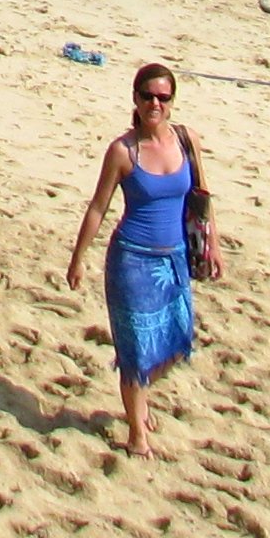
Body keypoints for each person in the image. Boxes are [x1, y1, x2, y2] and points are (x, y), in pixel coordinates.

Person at [63, 64, 206, 455]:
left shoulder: (187, 141)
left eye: (163, 97)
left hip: (174, 258)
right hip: (132, 261)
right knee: (136, 351)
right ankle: (137, 434)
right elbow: (98, 207)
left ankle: (139, 399)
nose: (155, 103)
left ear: (172, 102)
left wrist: (214, 248)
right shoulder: (123, 151)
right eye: (148, 96)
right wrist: (78, 258)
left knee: (177, 342)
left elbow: (202, 198)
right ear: (136, 99)